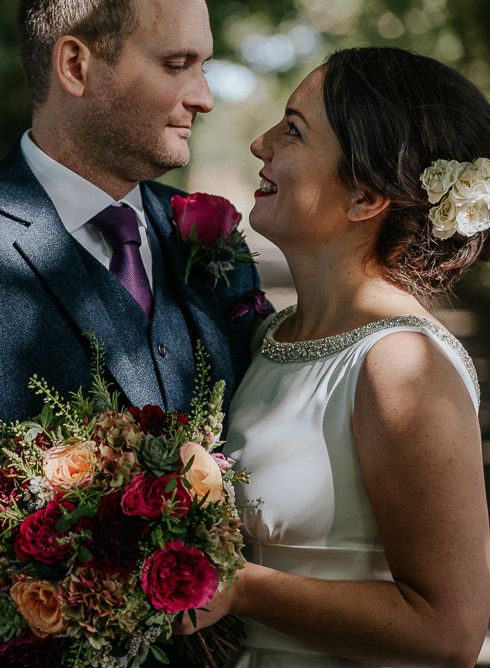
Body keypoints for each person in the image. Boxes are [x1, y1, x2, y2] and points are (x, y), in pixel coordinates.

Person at [0, 0, 261, 665]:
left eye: (204, 65)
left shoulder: (212, 241)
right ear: (75, 64)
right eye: (177, 64)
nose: (205, 97)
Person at [175, 47, 490, 666]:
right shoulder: (274, 336)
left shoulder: (399, 363)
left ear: (366, 195)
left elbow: (449, 633)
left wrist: (238, 588)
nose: (260, 144)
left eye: (293, 130)